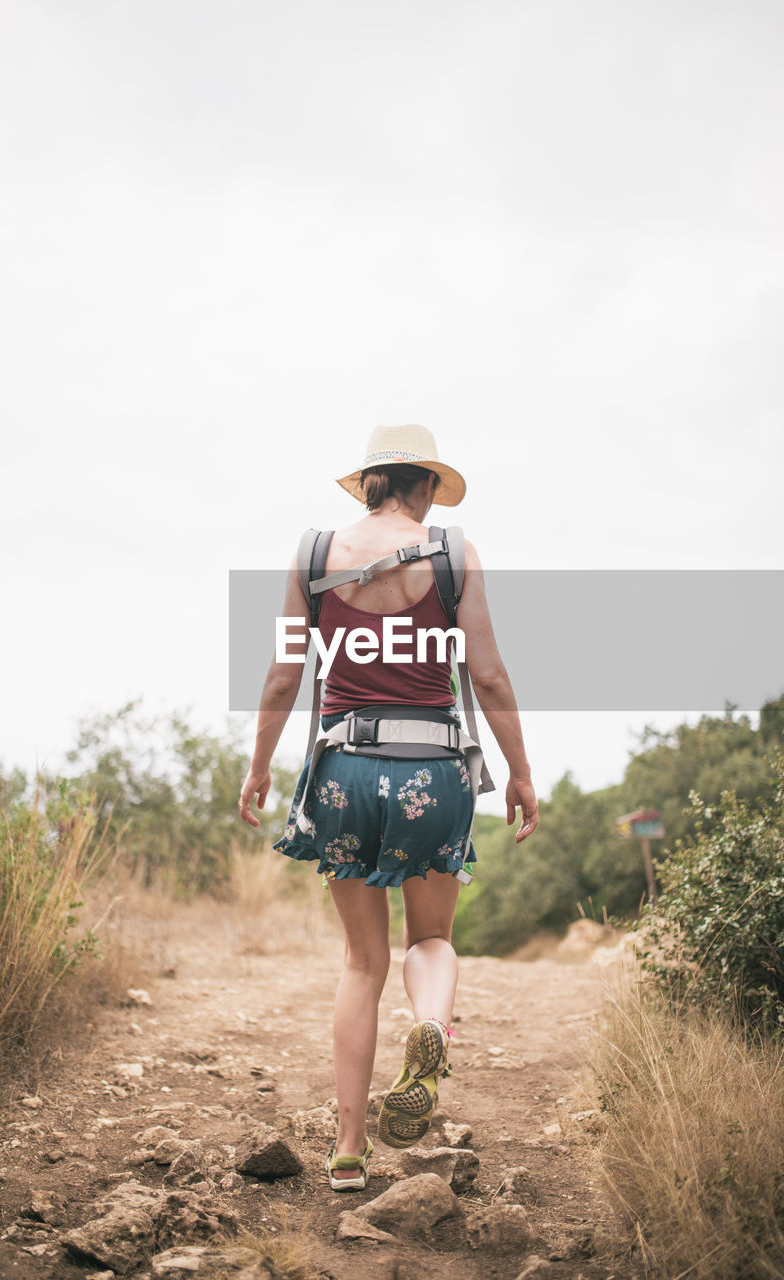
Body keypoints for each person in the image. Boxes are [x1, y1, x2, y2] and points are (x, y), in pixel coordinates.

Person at [238, 424, 538, 1191]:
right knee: (428, 938)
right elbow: (492, 675)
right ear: (426, 487)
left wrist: (260, 765)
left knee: (361, 961)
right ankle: (432, 1026)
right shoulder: (453, 553)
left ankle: (346, 1151)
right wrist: (519, 772)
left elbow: (282, 675)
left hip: (342, 770)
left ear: (368, 482)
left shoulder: (310, 555)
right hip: (432, 771)